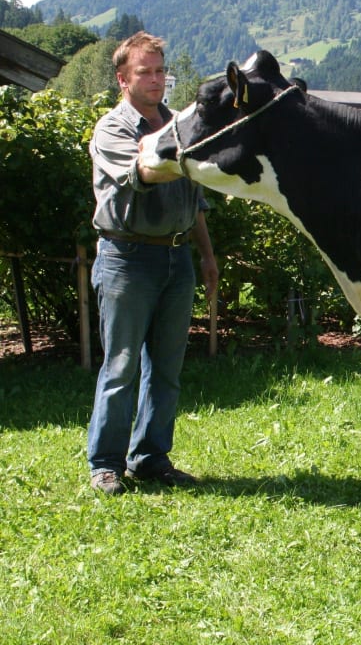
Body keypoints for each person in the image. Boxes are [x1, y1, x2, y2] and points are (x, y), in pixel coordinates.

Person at [88, 32, 218, 495]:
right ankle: (105, 463)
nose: (156, 80)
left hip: (177, 257)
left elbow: (195, 200)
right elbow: (143, 173)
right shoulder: (112, 128)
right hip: (126, 257)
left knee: (166, 366)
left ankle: (150, 457)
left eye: (161, 70)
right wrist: (190, 158)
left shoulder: (176, 126)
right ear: (123, 79)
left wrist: (206, 255)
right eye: (145, 72)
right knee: (121, 366)